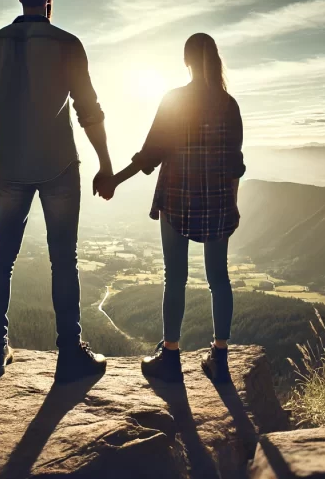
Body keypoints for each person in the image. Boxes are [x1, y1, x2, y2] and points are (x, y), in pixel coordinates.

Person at [0, 0, 111, 382]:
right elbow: (89, 112)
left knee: (2, 256)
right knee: (63, 260)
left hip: (10, 166)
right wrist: (104, 164)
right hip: (60, 166)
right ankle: (69, 355)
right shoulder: (68, 44)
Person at [97, 33, 244, 385]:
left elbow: (150, 154)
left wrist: (114, 180)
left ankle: (171, 356)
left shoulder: (175, 100)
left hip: (177, 200)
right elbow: (235, 164)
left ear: (186, 61)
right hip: (218, 201)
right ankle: (219, 359)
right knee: (219, 279)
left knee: (174, 278)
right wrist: (232, 205)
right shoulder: (229, 104)